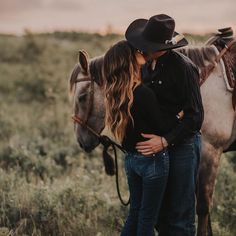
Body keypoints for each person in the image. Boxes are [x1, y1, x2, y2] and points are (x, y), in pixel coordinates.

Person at [125, 14, 204, 236]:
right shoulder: (143, 66)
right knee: (157, 215)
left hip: (182, 145)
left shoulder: (184, 68)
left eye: (146, 46)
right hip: (155, 150)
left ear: (161, 48)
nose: (140, 49)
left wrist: (165, 140)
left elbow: (195, 117)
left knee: (180, 216)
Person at [103, 40, 183, 236]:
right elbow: (162, 126)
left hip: (131, 160)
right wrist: (178, 115)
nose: (140, 54)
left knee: (135, 213)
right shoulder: (143, 93)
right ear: (129, 61)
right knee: (148, 219)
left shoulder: (115, 95)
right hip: (152, 160)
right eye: (135, 52)